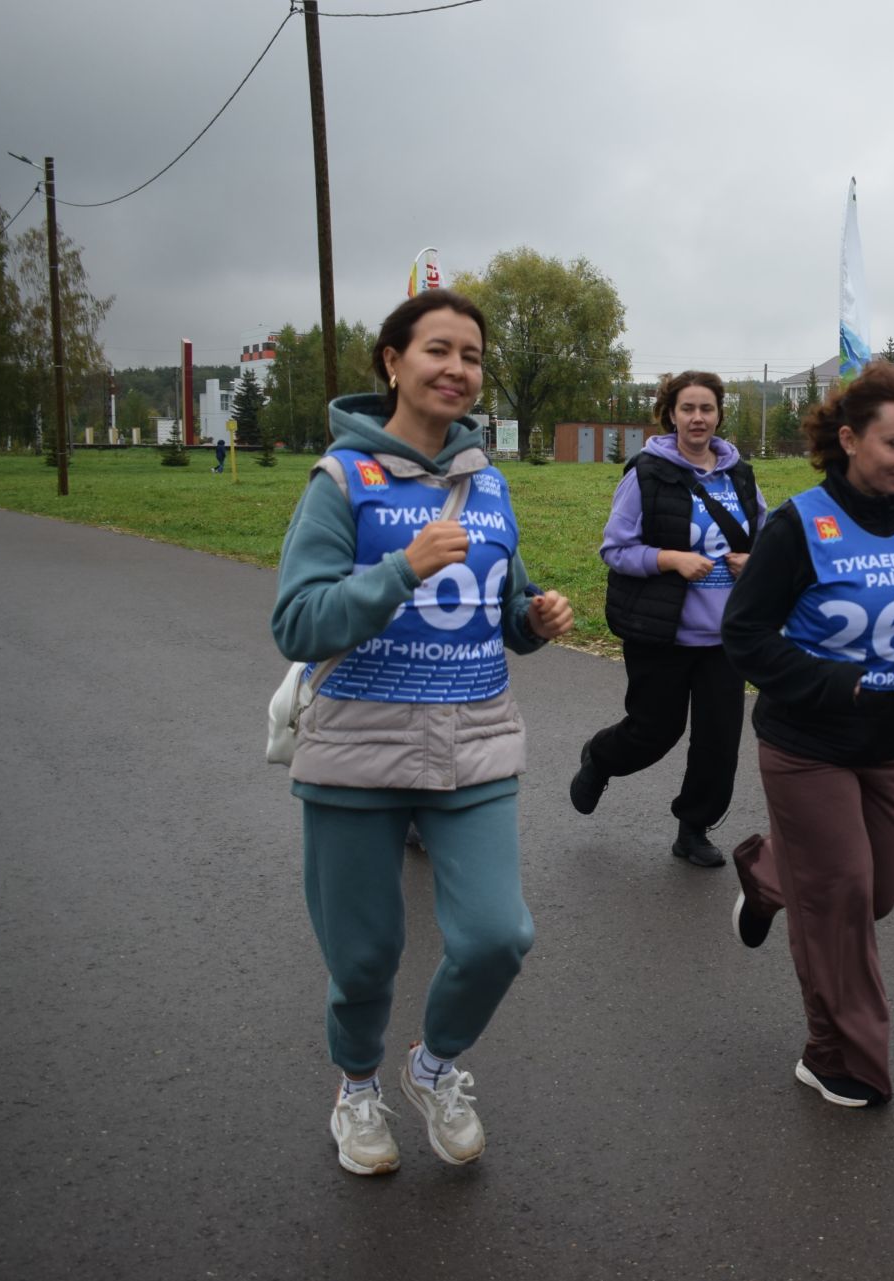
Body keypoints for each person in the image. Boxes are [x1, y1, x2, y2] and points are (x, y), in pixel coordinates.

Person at [271, 289, 574, 1176]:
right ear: (392, 362)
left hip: (474, 741)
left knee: (496, 937)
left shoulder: (489, 481)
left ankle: (433, 1066)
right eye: (438, 349)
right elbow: (297, 622)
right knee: (364, 957)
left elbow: (498, 606)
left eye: (472, 356)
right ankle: (356, 1087)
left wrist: (534, 616)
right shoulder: (341, 481)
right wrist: (400, 569)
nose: (457, 369)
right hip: (358, 751)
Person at [721, 361, 894, 1109]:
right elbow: (744, 632)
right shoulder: (801, 523)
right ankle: (841, 1058)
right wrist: (834, 682)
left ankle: (772, 874)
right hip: (809, 744)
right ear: (848, 438)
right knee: (840, 897)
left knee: (877, 892)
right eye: (893, 443)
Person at [570, 371, 763, 868]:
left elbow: (766, 536)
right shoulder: (647, 473)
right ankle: (602, 757)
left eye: (707, 408)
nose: (698, 418)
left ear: (719, 414)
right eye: (687, 409)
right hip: (662, 631)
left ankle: (693, 828)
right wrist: (670, 560)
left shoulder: (739, 475)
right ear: (671, 415)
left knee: (719, 742)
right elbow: (615, 549)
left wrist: (755, 559)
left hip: (724, 636)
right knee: (654, 731)